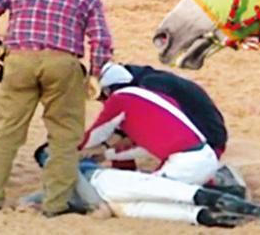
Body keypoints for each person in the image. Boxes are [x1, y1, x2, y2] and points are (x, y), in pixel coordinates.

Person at [0, 0, 113, 217]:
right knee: (64, 136)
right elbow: (101, 39)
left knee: (8, 132)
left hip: (19, 60)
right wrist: (94, 73)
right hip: (63, 63)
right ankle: (54, 204)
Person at [20, 145, 260, 227]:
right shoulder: (59, 176)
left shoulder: (61, 176)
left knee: (178, 202)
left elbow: (58, 183)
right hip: (111, 196)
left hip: (108, 194)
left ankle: (256, 215)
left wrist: (96, 205)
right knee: (180, 205)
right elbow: (41, 193)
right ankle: (255, 215)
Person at [79, 64, 220, 187]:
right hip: (204, 145)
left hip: (205, 140)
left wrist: (75, 148)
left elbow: (99, 135)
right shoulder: (146, 83)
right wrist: (106, 153)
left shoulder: (140, 90)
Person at [98, 63, 227, 158]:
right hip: (209, 136)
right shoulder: (149, 79)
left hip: (206, 145)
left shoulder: (149, 87)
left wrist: (106, 151)